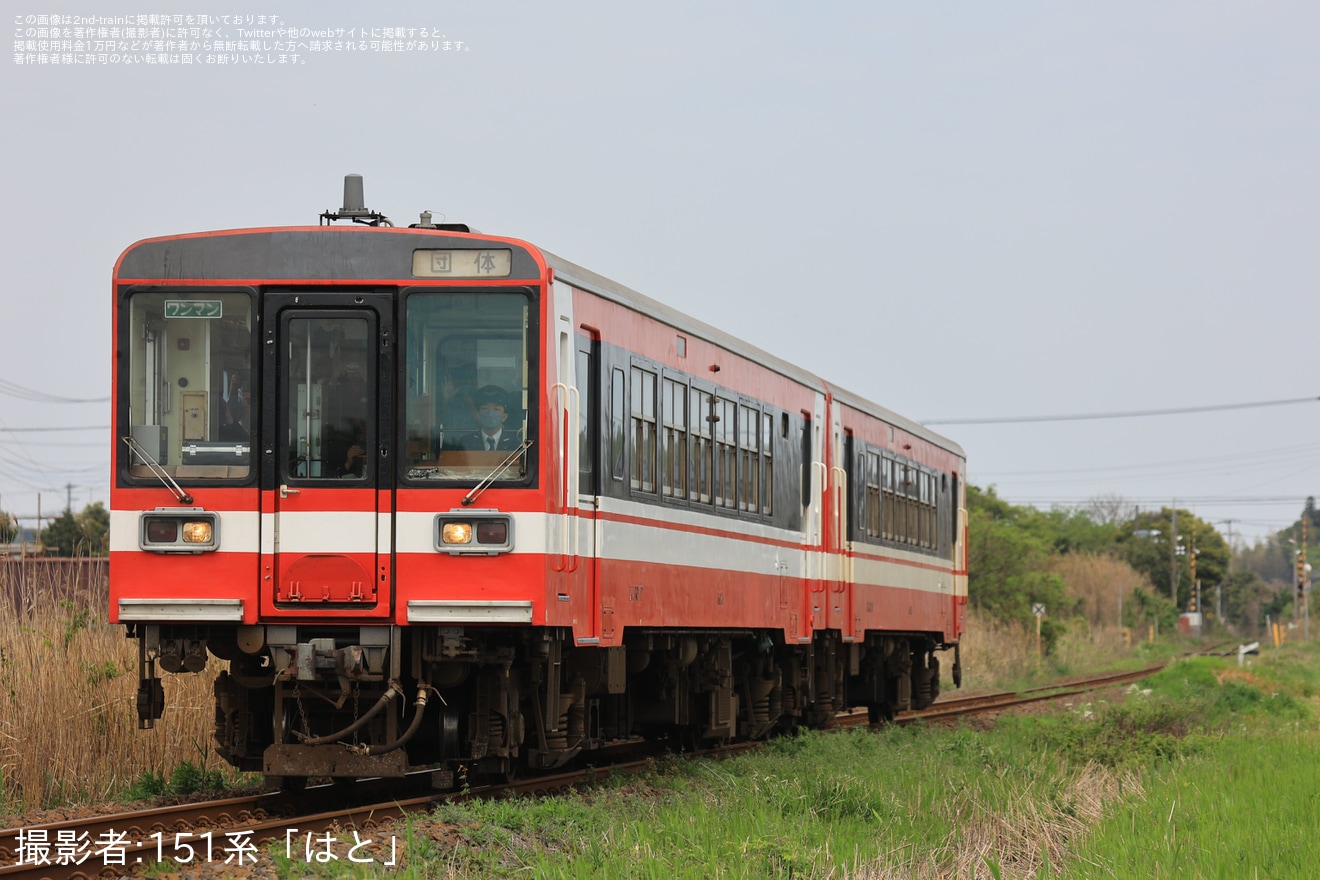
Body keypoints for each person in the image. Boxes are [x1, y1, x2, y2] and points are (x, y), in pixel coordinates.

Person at [453, 385, 522, 452]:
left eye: (496, 409)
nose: (490, 413)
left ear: (504, 417)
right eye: (484, 408)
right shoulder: (466, 443)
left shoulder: (515, 444)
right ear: (478, 414)